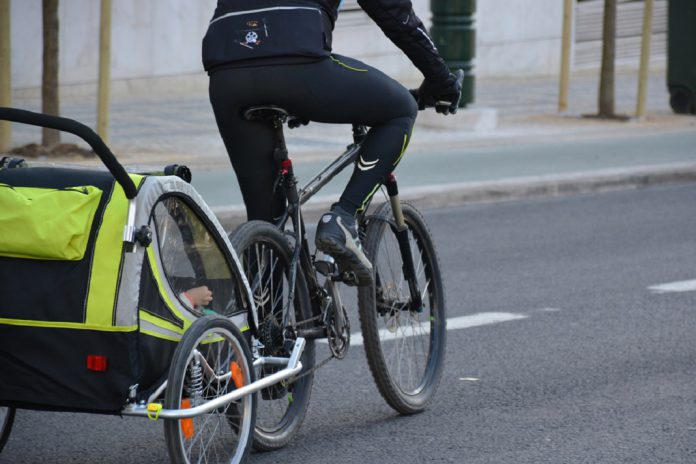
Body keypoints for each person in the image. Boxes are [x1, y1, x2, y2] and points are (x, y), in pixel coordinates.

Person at [203, 0, 462, 285]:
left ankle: (265, 319)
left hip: (226, 73)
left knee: (266, 225)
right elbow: (395, 15)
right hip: (298, 62)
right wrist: (441, 80)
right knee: (401, 109)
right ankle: (342, 218)